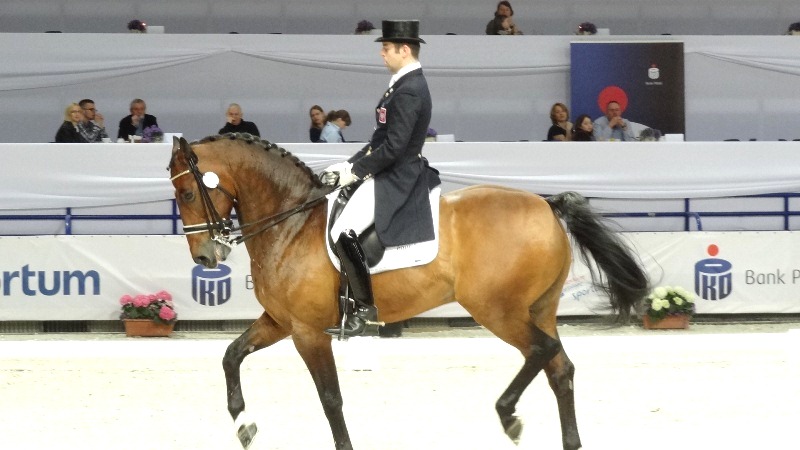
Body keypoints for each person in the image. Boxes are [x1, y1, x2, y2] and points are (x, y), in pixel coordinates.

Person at [321, 20, 441, 337]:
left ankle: (364, 309)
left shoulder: (410, 90)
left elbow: (395, 147)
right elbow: (378, 141)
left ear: (404, 50)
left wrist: (355, 172)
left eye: (386, 48)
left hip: (399, 175)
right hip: (389, 167)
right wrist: (347, 165)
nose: (382, 53)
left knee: (343, 230)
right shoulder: (400, 85)